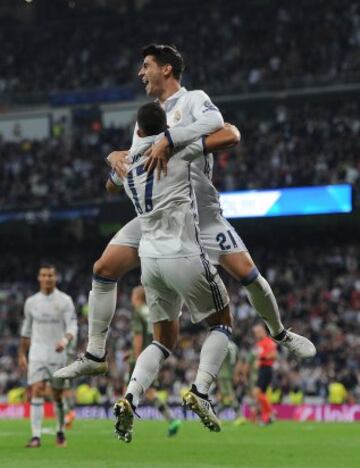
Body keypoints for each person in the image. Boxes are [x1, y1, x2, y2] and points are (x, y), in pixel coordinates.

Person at [55, 43, 315, 381]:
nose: (140, 73)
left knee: (248, 274)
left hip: (201, 213)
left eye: (146, 65)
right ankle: (94, 354)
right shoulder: (145, 118)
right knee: (103, 268)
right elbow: (133, 165)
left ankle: (280, 333)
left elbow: (222, 125)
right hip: (158, 215)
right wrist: (115, 159)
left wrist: (171, 138)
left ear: (166, 69)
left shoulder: (193, 100)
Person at [110, 102, 233, 442]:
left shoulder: (129, 163)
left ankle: (130, 398)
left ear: (137, 131)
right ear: (165, 126)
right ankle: (201, 390)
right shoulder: (177, 150)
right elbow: (227, 136)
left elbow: (109, 184)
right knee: (222, 322)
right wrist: (177, 135)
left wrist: (113, 156)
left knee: (163, 340)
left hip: (149, 261)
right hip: (182, 251)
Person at [18, 265, 78, 448]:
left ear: (55, 277)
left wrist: (65, 341)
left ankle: (60, 431)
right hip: (36, 352)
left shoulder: (65, 301)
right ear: (39, 278)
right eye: (44, 275)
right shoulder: (31, 302)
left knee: (57, 395)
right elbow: (26, 331)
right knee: (36, 389)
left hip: (58, 353)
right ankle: (36, 436)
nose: (47, 278)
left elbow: (73, 327)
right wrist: (22, 354)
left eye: (50, 275)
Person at [127, 285, 182, 437]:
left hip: (141, 359)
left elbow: (138, 338)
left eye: (132, 296)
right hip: (154, 355)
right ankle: (172, 420)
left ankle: (125, 426)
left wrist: (137, 358)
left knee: (131, 392)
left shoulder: (138, 312)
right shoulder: (151, 311)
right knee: (150, 392)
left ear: (136, 297)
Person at [252, 323, 277, 425]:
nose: (256, 334)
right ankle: (265, 416)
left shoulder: (268, 341)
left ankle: (270, 413)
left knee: (257, 392)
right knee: (259, 394)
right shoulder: (259, 343)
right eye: (255, 333)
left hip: (267, 369)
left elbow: (273, 355)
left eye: (258, 332)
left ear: (263, 331)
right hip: (262, 370)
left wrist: (260, 359)